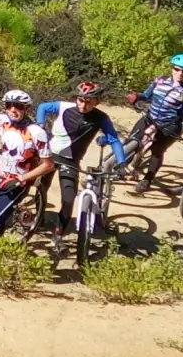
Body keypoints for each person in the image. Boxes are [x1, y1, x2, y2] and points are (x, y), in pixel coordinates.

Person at [37, 82, 127, 243]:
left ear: (97, 102)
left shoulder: (101, 118)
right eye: (80, 100)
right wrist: (41, 126)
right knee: (41, 188)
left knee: (68, 198)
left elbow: (113, 139)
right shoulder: (64, 107)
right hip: (49, 156)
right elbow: (43, 107)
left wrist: (121, 162)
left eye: (88, 102)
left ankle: (59, 231)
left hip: (70, 161)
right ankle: (38, 218)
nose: (83, 105)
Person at [126, 53, 183, 190]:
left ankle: (147, 180)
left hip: (169, 125)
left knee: (157, 151)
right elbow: (146, 95)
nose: (180, 73)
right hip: (149, 117)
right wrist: (137, 96)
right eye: (177, 69)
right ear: (172, 68)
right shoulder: (160, 80)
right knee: (131, 141)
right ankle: (117, 166)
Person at [0, 90, 53, 237]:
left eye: (18, 106)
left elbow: (48, 165)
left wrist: (22, 178)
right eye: (9, 105)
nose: (12, 110)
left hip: (17, 182)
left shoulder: (36, 132)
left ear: (26, 109)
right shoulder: (2, 120)